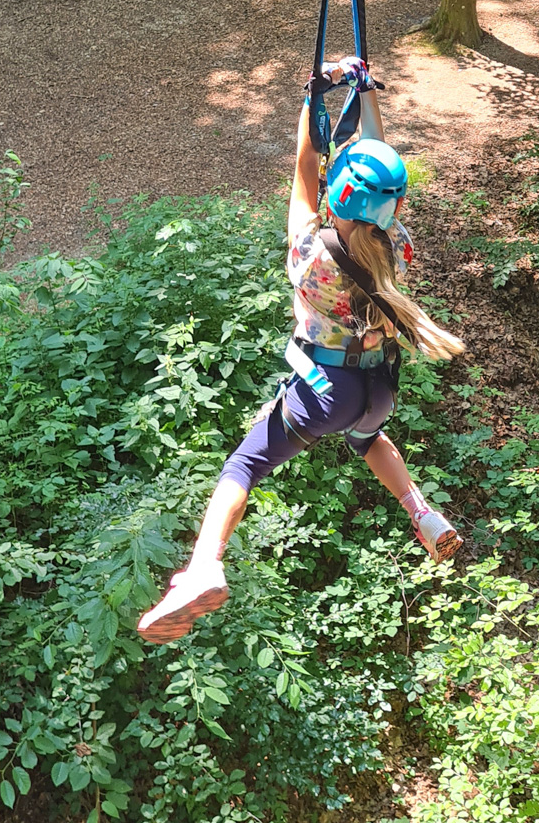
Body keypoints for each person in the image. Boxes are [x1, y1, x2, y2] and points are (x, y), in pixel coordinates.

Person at [138, 57, 466, 644]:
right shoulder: (397, 245)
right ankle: (422, 513)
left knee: (244, 465)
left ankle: (205, 566)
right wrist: (363, 92)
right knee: (368, 439)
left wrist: (315, 94)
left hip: (326, 392)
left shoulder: (311, 255)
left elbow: (304, 165)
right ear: (391, 205)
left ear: (341, 196)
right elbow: (378, 156)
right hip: (378, 389)